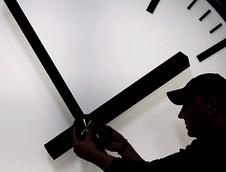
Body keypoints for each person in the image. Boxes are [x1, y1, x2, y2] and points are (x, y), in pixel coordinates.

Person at [72, 73, 226, 171]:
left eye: (187, 105)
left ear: (212, 106)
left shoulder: (214, 146)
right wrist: (124, 148)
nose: (181, 114)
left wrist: (93, 155)